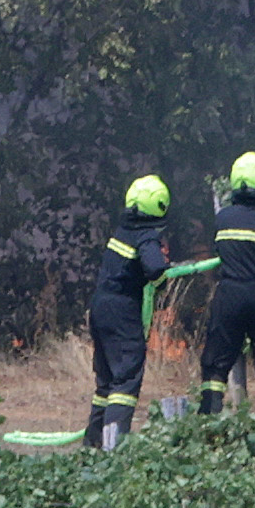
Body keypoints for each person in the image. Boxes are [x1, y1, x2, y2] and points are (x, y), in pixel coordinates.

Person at [196, 152, 255, 415]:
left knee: (215, 363)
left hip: (232, 297)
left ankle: (208, 418)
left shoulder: (224, 218)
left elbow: (220, 250)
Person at [83, 173, 172, 450]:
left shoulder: (122, 231)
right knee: (126, 379)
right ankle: (114, 448)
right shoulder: (147, 236)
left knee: (106, 382)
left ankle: (93, 446)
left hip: (100, 307)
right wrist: (162, 281)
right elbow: (155, 269)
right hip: (122, 312)